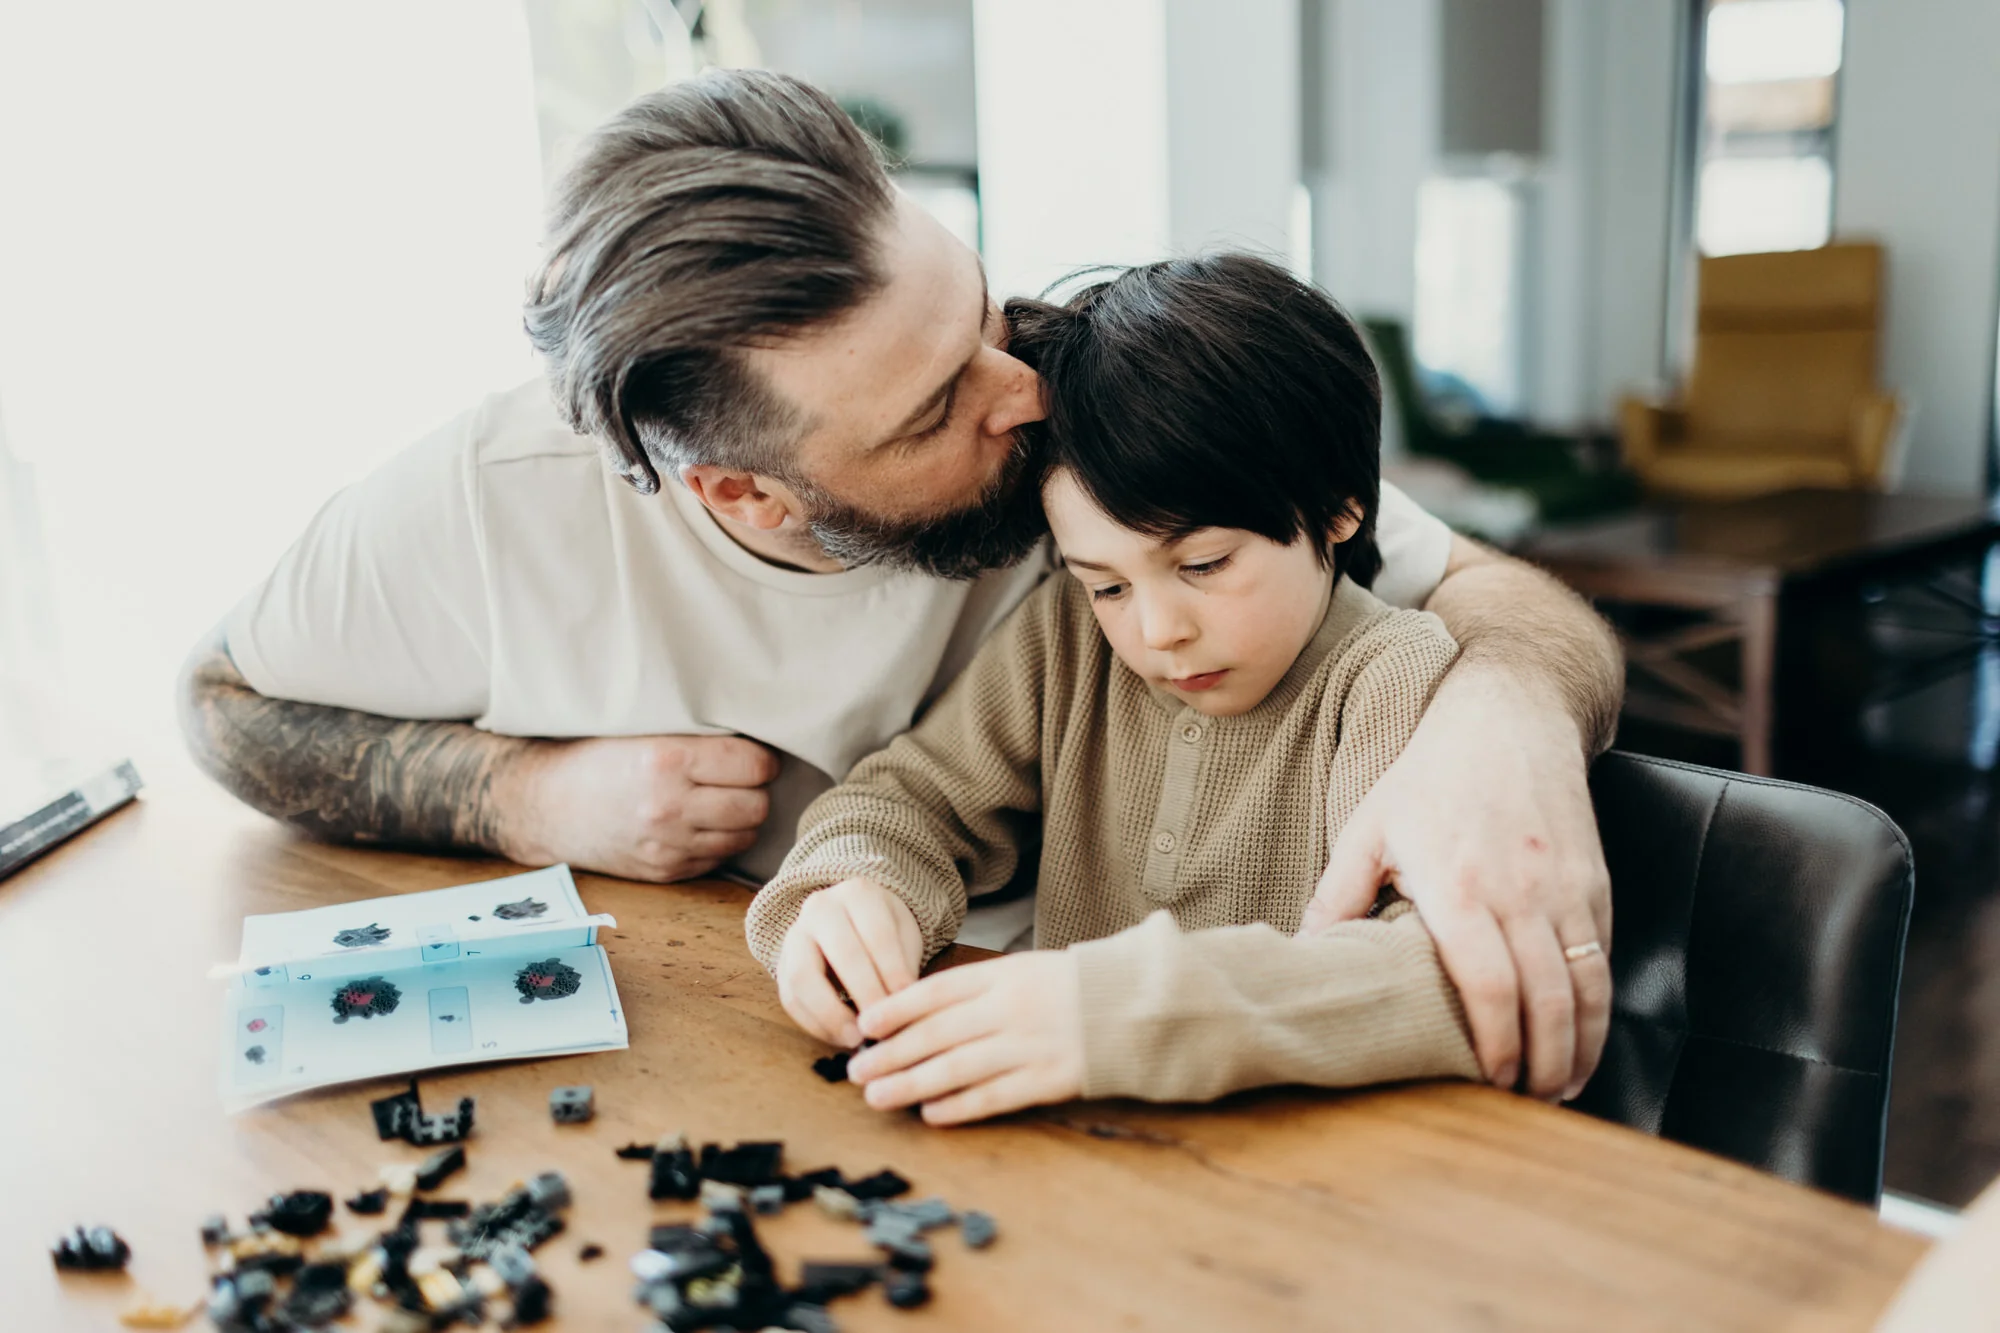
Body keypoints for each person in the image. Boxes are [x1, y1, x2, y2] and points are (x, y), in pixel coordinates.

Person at [174, 68, 1620, 1101]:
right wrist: (528, 797)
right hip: (877, 1061)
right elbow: (222, 702)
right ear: (741, 491)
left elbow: (1466, 589)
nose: (1019, 391)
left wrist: (1509, 719)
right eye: (932, 410)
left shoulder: (1108, 412)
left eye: (980, 310)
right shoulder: (488, 503)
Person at [748, 255, 1485, 1122]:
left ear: (1339, 508)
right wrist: (854, 887)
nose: (1155, 630)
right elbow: (912, 796)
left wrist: (1115, 1013)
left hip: (1299, 1160)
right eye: (1108, 583)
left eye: (1203, 564)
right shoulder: (1065, 639)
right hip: (1070, 1143)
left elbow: (1441, 970)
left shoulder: (1389, 675)